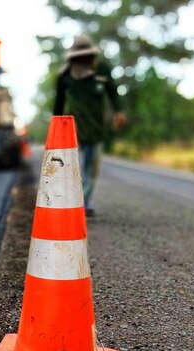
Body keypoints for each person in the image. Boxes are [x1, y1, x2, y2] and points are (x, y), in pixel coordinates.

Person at [53, 33, 126, 217]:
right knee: (73, 166)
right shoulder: (65, 75)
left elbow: (113, 92)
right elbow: (59, 102)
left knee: (91, 168)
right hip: (72, 127)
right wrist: (56, 125)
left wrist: (118, 112)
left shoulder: (102, 70)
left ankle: (85, 202)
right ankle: (73, 202)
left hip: (96, 126)